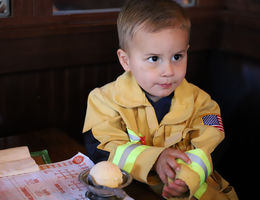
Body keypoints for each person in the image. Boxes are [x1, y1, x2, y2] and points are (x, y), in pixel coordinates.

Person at [83, 0, 238, 199]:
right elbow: (102, 149)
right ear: (126, 60)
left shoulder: (203, 104)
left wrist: (186, 179)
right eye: (154, 59)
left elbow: (212, 146)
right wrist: (155, 159)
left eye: (177, 57)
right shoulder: (103, 100)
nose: (168, 71)